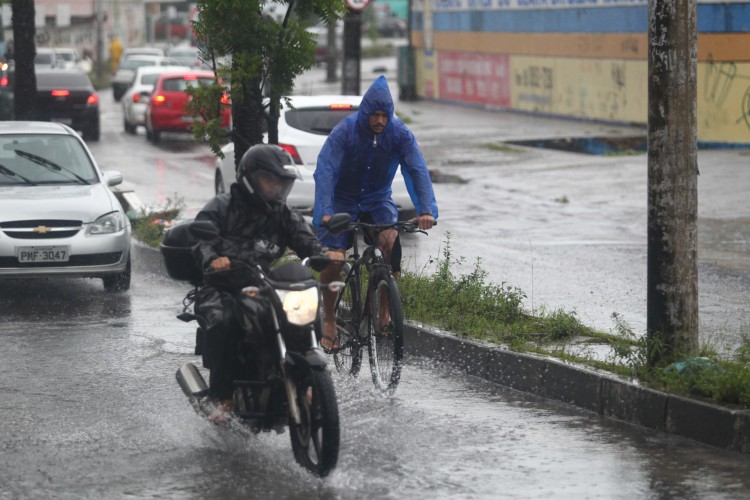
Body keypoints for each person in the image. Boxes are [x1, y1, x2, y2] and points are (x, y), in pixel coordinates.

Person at [192, 144, 323, 423]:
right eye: (270, 180)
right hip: (221, 285)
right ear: (251, 178)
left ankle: (307, 383)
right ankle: (223, 397)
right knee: (226, 321)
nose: (277, 188)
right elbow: (202, 238)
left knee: (302, 313)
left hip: (263, 283)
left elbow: (304, 237)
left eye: (281, 182)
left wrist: (321, 253)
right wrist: (212, 258)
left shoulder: (282, 213)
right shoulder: (223, 205)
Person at [313, 75, 439, 350]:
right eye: (375, 115)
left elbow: (416, 169)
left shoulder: (399, 134)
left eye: (385, 115)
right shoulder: (345, 132)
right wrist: (324, 212)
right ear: (366, 113)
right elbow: (325, 170)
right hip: (340, 201)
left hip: (376, 200)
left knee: (390, 243)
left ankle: (384, 309)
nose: (380, 121)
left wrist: (426, 209)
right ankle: (330, 318)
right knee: (333, 259)